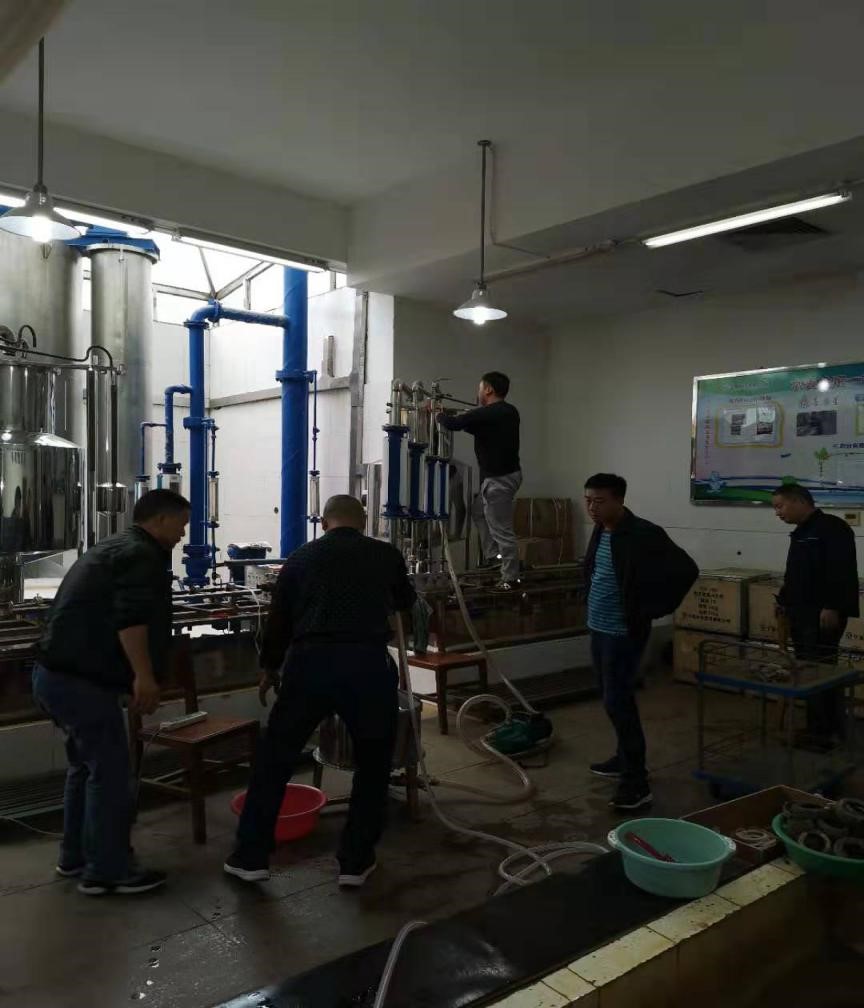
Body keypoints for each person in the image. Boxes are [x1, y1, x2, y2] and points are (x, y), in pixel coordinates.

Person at [225, 494, 416, 888]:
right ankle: (355, 863)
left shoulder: (301, 558)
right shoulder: (385, 555)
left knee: (275, 759)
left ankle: (250, 857)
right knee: (373, 763)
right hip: (365, 663)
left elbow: (279, 620)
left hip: (309, 663)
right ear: (362, 521)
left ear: (325, 522)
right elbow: (405, 602)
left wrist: (269, 668)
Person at [33, 488, 190, 896]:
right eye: (181, 525)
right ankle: (108, 871)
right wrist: (144, 677)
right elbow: (131, 619)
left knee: (87, 768)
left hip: (55, 676)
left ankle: (75, 857)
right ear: (160, 520)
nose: (182, 535)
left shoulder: (115, 547)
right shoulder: (141, 555)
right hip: (79, 683)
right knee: (111, 773)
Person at [583, 474, 698, 811]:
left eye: (599, 501)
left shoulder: (644, 533)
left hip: (623, 633)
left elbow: (686, 570)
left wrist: (652, 609)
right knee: (610, 699)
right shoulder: (600, 529)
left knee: (619, 702)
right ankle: (623, 757)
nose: (592, 507)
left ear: (619, 500)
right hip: (598, 628)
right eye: (588, 500)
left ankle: (636, 782)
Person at [772, 484, 859, 744]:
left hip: (821, 615)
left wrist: (832, 606)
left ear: (799, 501)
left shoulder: (832, 528)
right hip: (801, 614)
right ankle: (820, 728)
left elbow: (841, 571)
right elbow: (796, 573)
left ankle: (822, 734)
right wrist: (783, 600)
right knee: (809, 671)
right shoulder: (802, 532)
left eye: (780, 506)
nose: (777, 513)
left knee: (820, 672)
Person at [436, 371, 521, 587]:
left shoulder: (493, 412)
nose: (478, 392)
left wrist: (437, 414)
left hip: (499, 480)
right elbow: (472, 425)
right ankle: (493, 556)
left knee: (501, 529)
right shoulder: (506, 413)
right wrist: (452, 417)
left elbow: (454, 424)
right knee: (478, 511)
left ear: (489, 389)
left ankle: (511, 577)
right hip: (503, 477)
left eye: (480, 388)